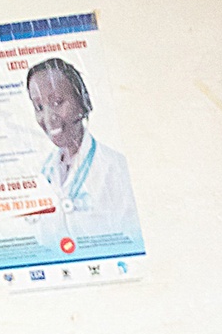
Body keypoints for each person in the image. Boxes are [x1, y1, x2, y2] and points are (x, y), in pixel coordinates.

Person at [25, 56, 143, 254]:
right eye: (39, 107)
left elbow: (132, 241)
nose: (48, 117)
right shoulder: (42, 173)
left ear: (81, 101)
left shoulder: (115, 168)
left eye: (57, 102)